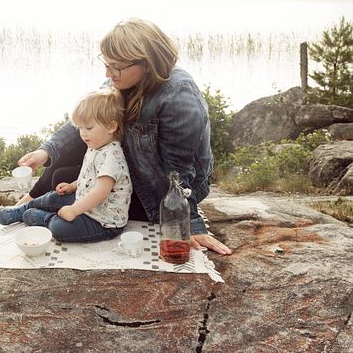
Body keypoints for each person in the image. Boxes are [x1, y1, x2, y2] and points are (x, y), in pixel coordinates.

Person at [17, 18, 232, 255]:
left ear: (147, 64)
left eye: (116, 66)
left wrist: (187, 222)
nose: (108, 73)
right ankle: (26, 203)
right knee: (66, 164)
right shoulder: (121, 80)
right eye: (106, 64)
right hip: (131, 169)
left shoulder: (178, 97)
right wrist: (45, 151)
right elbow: (89, 118)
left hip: (158, 187)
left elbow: (178, 171)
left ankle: (40, 212)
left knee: (66, 179)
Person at [0, 89, 132, 242]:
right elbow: (90, 177)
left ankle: (46, 219)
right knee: (53, 197)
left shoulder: (111, 156)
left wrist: (74, 210)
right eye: (80, 128)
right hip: (86, 202)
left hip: (102, 221)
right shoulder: (96, 146)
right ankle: (22, 210)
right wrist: (73, 186)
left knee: (60, 228)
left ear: (111, 127)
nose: (83, 134)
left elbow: (101, 192)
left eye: (88, 128)